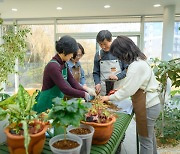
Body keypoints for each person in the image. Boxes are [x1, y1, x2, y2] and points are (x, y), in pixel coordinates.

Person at [100, 36, 161, 154]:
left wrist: (107, 97)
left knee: (145, 141)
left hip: (147, 107)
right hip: (152, 105)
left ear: (124, 52)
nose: (119, 58)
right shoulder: (140, 61)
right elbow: (135, 85)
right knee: (150, 138)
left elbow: (128, 91)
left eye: (118, 55)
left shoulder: (136, 66)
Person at [33, 36, 91, 113]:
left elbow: (73, 82)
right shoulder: (53, 66)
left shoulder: (64, 64)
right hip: (47, 103)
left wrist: (86, 91)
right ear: (64, 51)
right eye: (71, 53)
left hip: (56, 101)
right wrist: (83, 94)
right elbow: (65, 89)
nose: (72, 56)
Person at [93, 30, 128, 96]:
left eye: (105, 44)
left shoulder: (120, 53)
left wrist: (117, 76)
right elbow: (96, 73)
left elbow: (127, 69)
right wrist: (97, 83)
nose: (103, 46)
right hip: (103, 91)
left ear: (111, 40)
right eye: (100, 44)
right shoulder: (98, 55)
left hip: (119, 90)